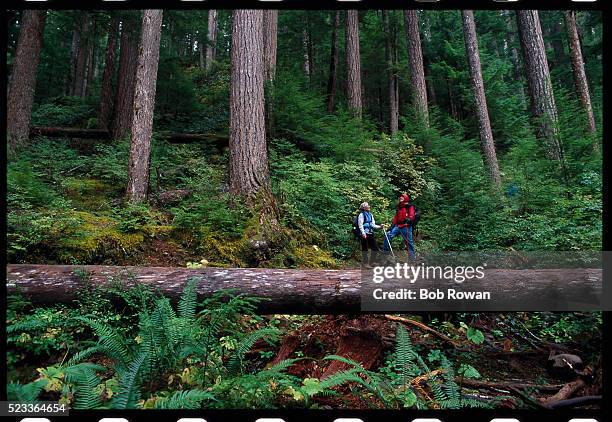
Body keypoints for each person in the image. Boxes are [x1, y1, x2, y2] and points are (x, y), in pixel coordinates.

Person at [383, 194, 416, 259]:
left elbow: (412, 215)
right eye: (400, 198)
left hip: (406, 226)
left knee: (408, 242)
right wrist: (392, 226)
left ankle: (412, 258)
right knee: (388, 235)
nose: (400, 199)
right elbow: (396, 217)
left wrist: (409, 219)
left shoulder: (410, 206)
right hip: (398, 226)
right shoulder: (399, 207)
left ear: (405, 198)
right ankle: (386, 252)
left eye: (402, 198)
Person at [357, 202, 384, 267]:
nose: (369, 206)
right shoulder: (361, 215)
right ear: (364, 208)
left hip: (370, 233)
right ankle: (365, 263)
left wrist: (380, 227)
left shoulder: (370, 215)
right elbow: (360, 225)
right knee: (365, 248)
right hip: (364, 233)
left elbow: (373, 225)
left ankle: (372, 262)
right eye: (367, 205)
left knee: (375, 248)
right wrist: (363, 233)